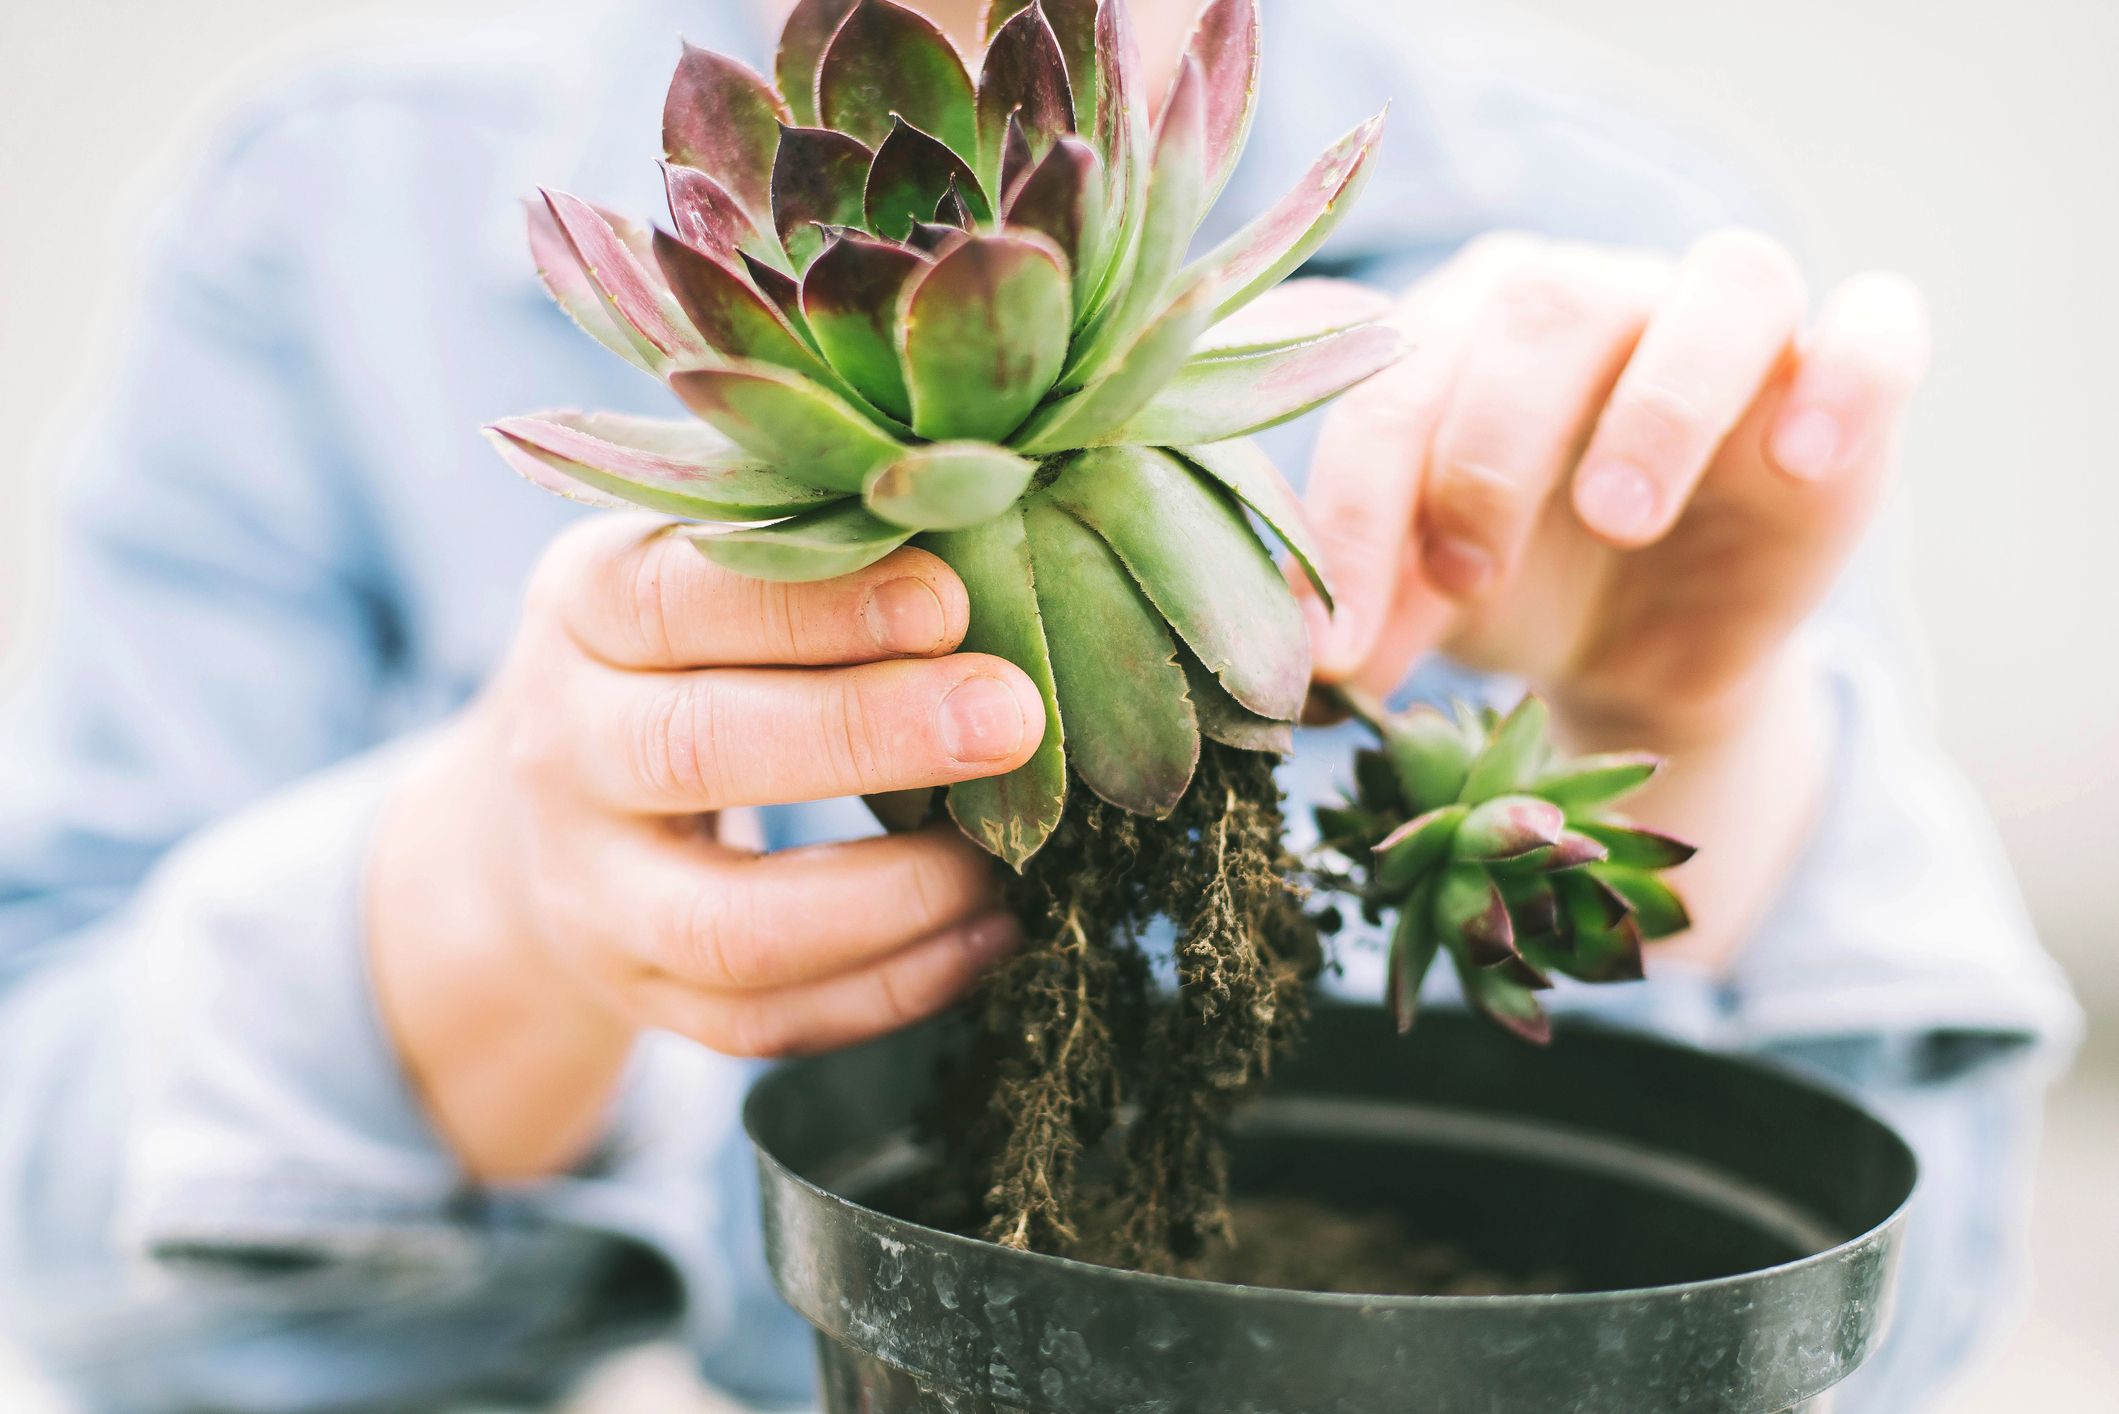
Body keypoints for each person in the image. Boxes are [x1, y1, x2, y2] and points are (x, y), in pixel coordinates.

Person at [0, 0, 2078, 1409]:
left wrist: (1689, 722)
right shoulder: (332, 229)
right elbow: (75, 1268)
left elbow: (1889, 1309)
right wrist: (487, 906)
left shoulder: (1595, 242)